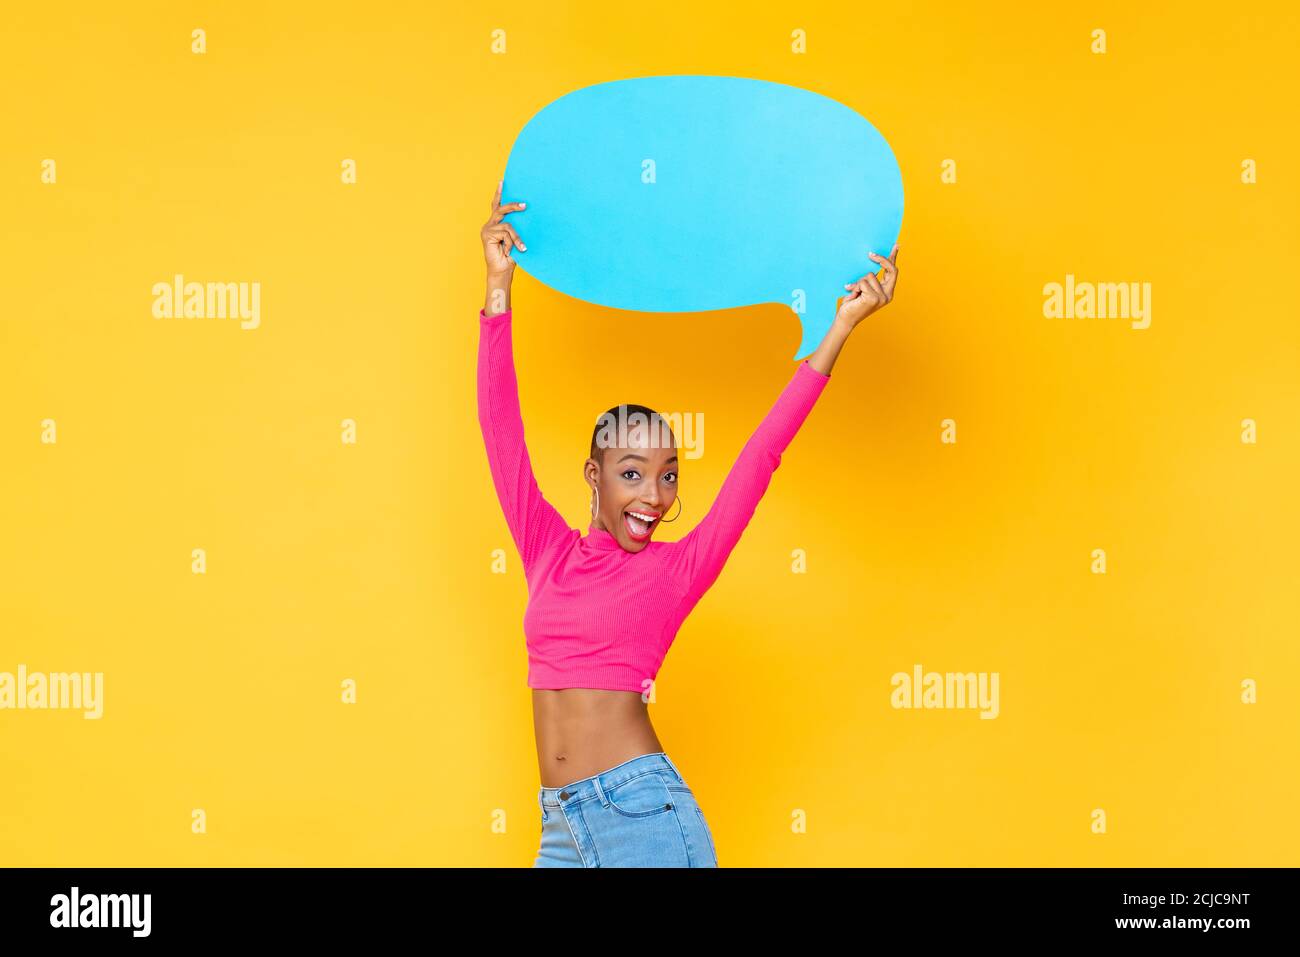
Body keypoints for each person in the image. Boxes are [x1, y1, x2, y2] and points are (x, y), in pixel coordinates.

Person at [477, 180, 900, 866]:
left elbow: (762, 454)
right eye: (633, 472)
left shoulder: (677, 569)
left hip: (641, 815)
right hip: (560, 826)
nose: (655, 494)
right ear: (594, 476)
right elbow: (500, 430)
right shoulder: (545, 550)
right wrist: (499, 286)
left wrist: (840, 327)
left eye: (669, 474)